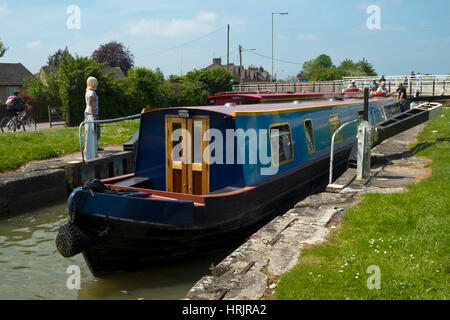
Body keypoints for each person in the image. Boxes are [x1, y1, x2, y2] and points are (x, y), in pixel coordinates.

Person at [84, 76, 103, 151]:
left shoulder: (89, 92)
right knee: (93, 131)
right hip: (91, 114)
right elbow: (90, 105)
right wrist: (93, 116)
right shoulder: (91, 93)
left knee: (93, 130)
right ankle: (86, 148)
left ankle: (96, 146)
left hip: (90, 113)